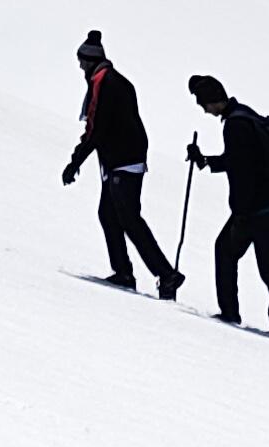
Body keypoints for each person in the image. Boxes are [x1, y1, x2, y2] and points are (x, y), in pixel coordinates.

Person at [61, 30, 183, 295]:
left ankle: (164, 274)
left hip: (123, 161)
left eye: (82, 61)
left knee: (127, 217)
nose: (80, 66)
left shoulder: (105, 83)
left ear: (92, 61)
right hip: (123, 159)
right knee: (110, 214)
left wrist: (75, 162)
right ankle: (126, 272)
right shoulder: (108, 81)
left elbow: (97, 128)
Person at [183, 75, 269, 339]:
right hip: (264, 203)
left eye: (203, 104)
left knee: (249, 258)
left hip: (254, 207)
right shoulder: (243, 116)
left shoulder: (235, 125)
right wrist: (206, 161)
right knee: (263, 262)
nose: (203, 109)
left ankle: (236, 314)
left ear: (213, 100)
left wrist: (241, 209)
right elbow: (237, 160)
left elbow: (243, 169)